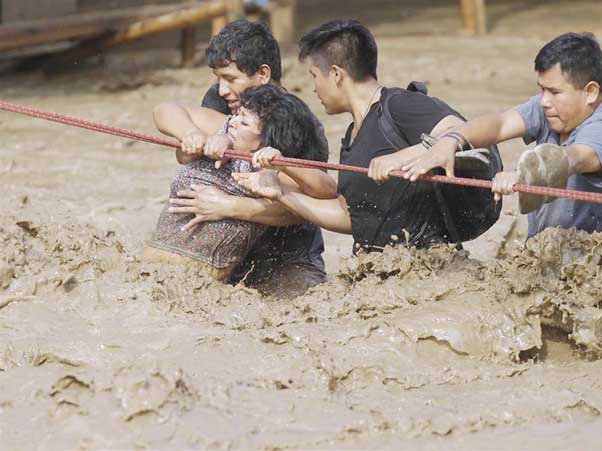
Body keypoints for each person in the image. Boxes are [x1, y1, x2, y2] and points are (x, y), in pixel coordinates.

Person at [238, 19, 499, 252]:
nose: (313, 88)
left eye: (314, 76)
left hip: (431, 271)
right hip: (381, 274)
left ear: (337, 74)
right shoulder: (353, 136)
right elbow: (349, 216)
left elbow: (458, 131)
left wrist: (402, 157)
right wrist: (282, 193)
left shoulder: (400, 105)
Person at [144, 20, 336, 295]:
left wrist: (228, 206)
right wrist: (191, 136)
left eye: (230, 79)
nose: (221, 89)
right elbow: (177, 131)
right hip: (229, 258)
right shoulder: (226, 100)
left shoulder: (300, 125)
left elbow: (311, 207)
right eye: (217, 78)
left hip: (287, 258)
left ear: (262, 74)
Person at [398, 32, 602, 238]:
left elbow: (573, 159)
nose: (544, 101)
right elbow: (500, 123)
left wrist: (524, 175)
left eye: (554, 91)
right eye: (541, 89)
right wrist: (451, 140)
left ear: (590, 92)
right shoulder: (550, 108)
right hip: (552, 253)